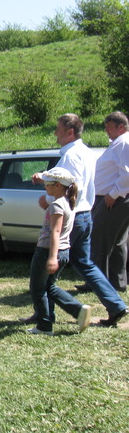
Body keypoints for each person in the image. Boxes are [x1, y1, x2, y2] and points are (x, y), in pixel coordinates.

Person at [25, 114, 127, 328]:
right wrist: (44, 177)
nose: (55, 133)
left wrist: (49, 199)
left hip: (70, 216)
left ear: (70, 131)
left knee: (47, 267)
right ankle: (115, 304)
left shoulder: (71, 155)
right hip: (85, 215)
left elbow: (68, 185)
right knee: (85, 263)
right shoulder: (87, 152)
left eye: (58, 129)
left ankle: (45, 316)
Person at [27, 167, 91, 336]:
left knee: (37, 288)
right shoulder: (68, 202)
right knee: (49, 286)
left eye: (47, 183)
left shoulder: (56, 205)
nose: (45, 186)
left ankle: (45, 325)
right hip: (64, 251)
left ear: (57, 186)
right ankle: (76, 311)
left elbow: (55, 232)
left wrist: (52, 257)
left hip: (48, 251)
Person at [89, 111, 129, 297]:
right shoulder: (119, 143)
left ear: (121, 127)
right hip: (116, 199)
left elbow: (127, 175)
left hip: (114, 199)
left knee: (99, 240)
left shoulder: (123, 143)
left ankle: (97, 283)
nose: (106, 131)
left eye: (109, 127)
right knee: (118, 242)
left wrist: (112, 195)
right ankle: (117, 282)